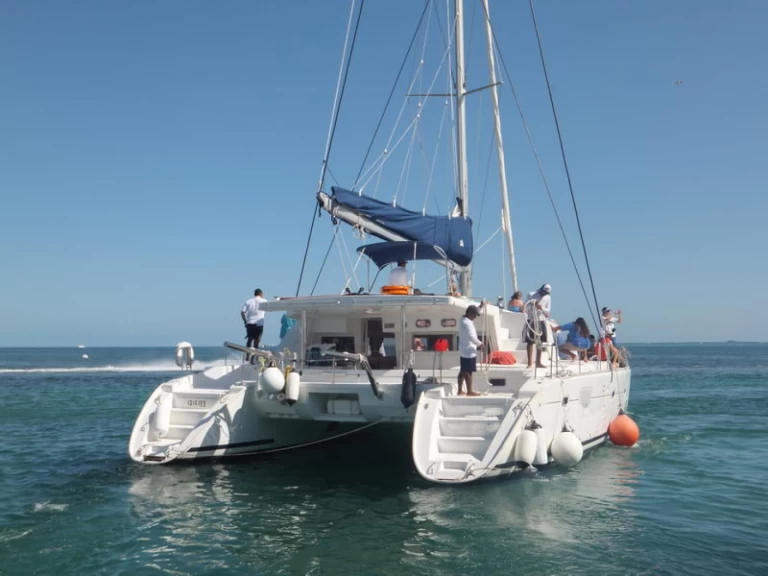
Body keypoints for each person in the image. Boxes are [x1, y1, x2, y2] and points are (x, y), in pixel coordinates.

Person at [458, 303, 485, 396]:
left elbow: (474, 310)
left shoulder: (463, 319)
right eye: (474, 315)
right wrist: (480, 344)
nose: (475, 317)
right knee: (468, 371)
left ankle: (459, 390)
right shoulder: (468, 323)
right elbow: (472, 337)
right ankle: (469, 391)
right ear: (470, 314)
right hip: (468, 351)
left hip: (463, 349)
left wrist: (481, 306)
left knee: (463, 370)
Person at [524, 284, 551, 369]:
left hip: (541, 319)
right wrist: (533, 305)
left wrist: (541, 308)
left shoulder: (548, 297)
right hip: (531, 319)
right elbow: (526, 306)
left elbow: (548, 311)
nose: (543, 294)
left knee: (540, 341)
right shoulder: (531, 294)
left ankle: (538, 362)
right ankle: (529, 363)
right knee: (530, 341)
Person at [241, 289, 267, 354]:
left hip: (250, 323)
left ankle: (247, 356)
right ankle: (253, 358)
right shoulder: (264, 301)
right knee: (256, 342)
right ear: (261, 294)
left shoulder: (248, 301)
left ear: (254, 294)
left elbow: (242, 312)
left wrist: (245, 321)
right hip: (259, 324)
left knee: (249, 339)